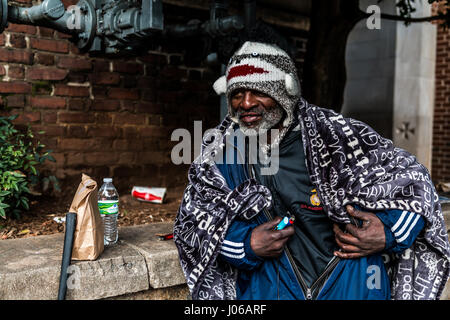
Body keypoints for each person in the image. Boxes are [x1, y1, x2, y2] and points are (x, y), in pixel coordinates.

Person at [173, 41, 450, 300]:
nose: (245, 103)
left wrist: (389, 233)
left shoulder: (337, 136)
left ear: (285, 91)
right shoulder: (222, 154)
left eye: (258, 91)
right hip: (270, 290)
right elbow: (194, 222)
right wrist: (245, 245)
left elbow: (414, 181)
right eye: (236, 93)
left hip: (351, 284)